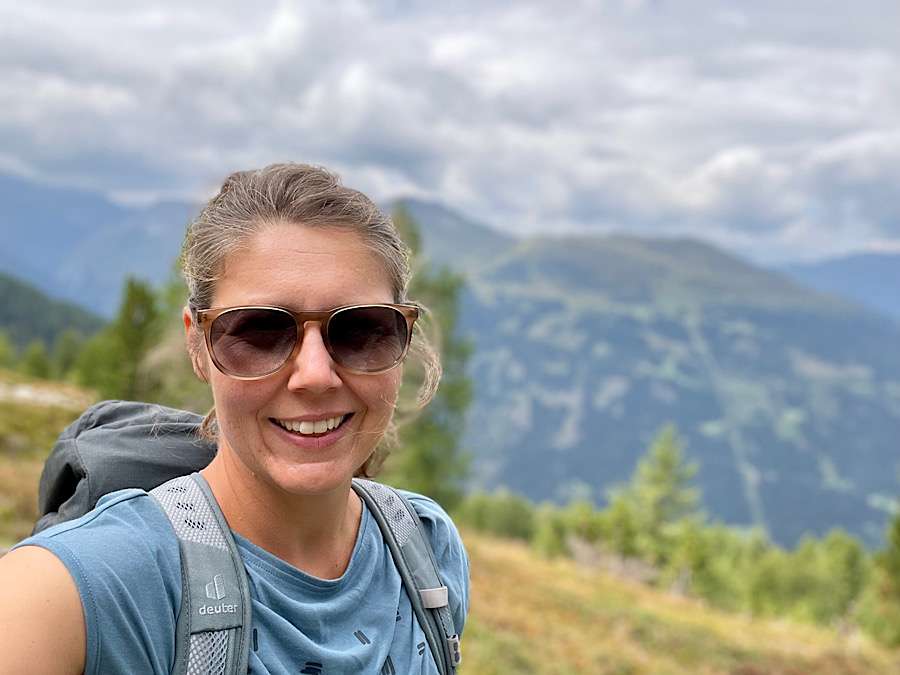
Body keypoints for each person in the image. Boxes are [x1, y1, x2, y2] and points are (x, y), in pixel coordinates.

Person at [0, 164, 469, 674]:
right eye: (260, 332)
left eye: (360, 329)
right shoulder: (68, 594)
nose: (315, 375)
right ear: (197, 346)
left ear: (402, 340)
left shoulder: (426, 549)